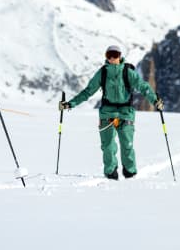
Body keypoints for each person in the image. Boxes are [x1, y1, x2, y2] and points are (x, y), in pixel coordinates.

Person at [60, 45, 163, 180]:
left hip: (126, 113)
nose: (112, 58)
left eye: (115, 54)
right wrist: (70, 104)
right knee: (108, 147)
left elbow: (144, 87)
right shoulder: (102, 73)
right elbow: (88, 92)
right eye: (109, 55)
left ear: (120, 56)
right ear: (106, 57)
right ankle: (110, 175)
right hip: (107, 114)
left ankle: (130, 174)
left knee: (127, 145)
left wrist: (155, 101)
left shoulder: (128, 72)